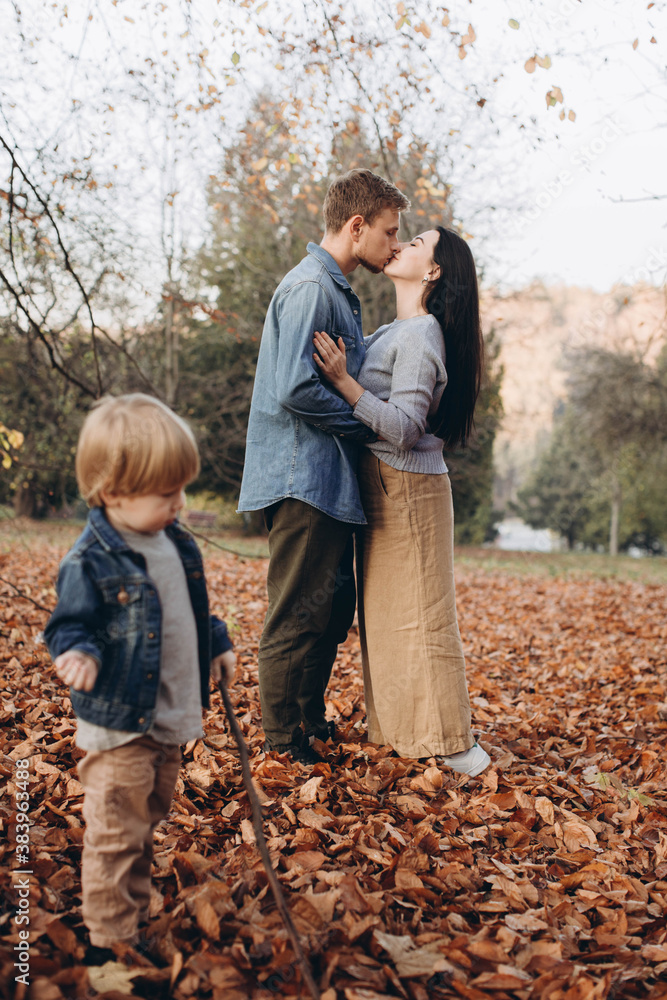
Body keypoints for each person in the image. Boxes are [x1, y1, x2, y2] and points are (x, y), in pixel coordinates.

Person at [44, 393, 237, 962]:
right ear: (112, 493)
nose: (179, 503)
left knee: (147, 819)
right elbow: (69, 624)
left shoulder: (172, 539)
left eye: (182, 488)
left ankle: (128, 908)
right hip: (122, 724)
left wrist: (216, 643)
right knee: (115, 832)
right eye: (165, 493)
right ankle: (108, 942)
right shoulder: (92, 560)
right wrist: (78, 653)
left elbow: (190, 608)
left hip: (167, 718)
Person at [238, 168, 410, 764]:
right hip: (301, 478)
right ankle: (284, 744)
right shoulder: (311, 287)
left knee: (331, 609)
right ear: (356, 225)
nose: (393, 246)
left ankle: (308, 720)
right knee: (297, 612)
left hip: (329, 481)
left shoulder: (337, 289)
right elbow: (294, 388)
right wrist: (362, 422)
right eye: (389, 233)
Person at [313, 227, 491, 777]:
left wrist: (345, 384)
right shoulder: (401, 328)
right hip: (389, 487)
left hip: (410, 489)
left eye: (415, 243)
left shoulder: (421, 335)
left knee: (424, 618)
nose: (402, 245)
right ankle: (404, 733)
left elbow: (407, 428)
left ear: (433, 272)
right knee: (389, 620)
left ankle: (454, 743)